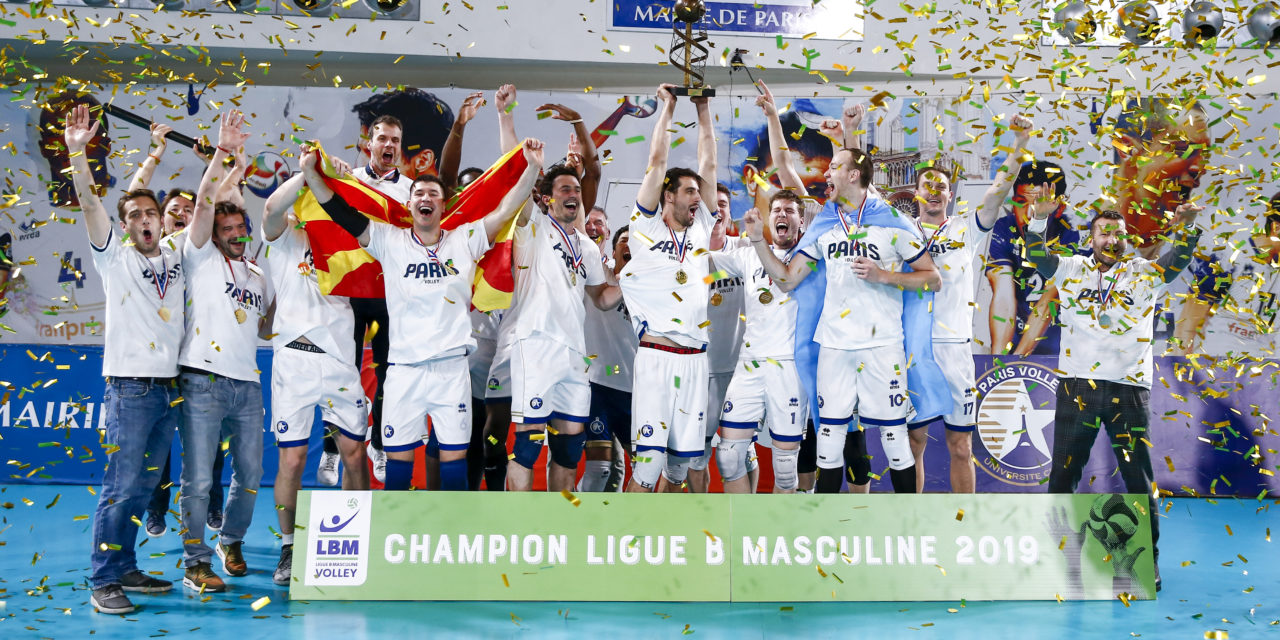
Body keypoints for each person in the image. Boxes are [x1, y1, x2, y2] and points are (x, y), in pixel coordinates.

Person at [307, 138, 544, 491]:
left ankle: (450, 523)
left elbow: (506, 208)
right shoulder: (389, 240)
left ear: (443, 205)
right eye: (418, 193)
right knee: (398, 467)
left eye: (433, 194)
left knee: (454, 464)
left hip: (452, 371)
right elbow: (340, 212)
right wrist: (312, 174)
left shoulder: (465, 239)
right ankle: (396, 526)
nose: (425, 198)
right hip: (404, 372)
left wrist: (533, 167)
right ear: (409, 204)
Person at [1027, 199, 1203, 593]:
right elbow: (1038, 256)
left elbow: (1178, 258)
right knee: (1063, 477)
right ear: (1091, 238)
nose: (1112, 239)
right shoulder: (1072, 268)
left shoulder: (1145, 272)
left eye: (1119, 234)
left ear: (1126, 239)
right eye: (1104, 233)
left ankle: (1148, 563)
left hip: (1129, 390)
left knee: (1138, 479)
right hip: (1077, 387)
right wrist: (1038, 218)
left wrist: (1188, 227)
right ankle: (1055, 560)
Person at [743, 146, 942, 495]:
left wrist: (884, 276)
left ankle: (907, 518)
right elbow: (787, 280)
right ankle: (828, 521)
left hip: (882, 346)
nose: (826, 173)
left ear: (853, 175)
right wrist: (758, 240)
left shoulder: (893, 221)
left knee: (894, 439)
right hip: (834, 347)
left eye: (834, 167)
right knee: (829, 440)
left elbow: (933, 279)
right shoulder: (824, 223)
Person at [67, 102, 186, 615]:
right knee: (120, 486)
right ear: (123, 226)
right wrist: (77, 154)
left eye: (149, 213)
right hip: (130, 388)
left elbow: (194, 210)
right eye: (133, 215)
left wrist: (156, 155)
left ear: (161, 220)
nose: (143, 219)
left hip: (170, 387)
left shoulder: (176, 254)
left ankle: (126, 565)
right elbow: (91, 201)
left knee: (143, 486)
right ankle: (103, 579)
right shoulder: (113, 258)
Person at [174, 111, 273, 594]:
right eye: (226, 227)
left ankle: (229, 541)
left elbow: (267, 327)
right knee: (197, 478)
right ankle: (194, 561)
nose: (234, 233)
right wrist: (223, 153)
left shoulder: (258, 274)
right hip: (202, 379)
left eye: (240, 227)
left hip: (248, 384)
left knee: (251, 474)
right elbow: (205, 201)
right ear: (214, 234)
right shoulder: (200, 257)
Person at [262, 159, 373, 586]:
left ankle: (357, 538)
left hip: (339, 360)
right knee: (291, 460)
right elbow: (272, 206)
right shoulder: (282, 238)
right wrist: (308, 170)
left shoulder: (346, 237)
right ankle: (290, 548)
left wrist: (337, 182)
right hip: (294, 361)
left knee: (354, 455)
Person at [620, 84, 718, 493]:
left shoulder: (702, 228)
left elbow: (709, 162)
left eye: (698, 191)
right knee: (648, 467)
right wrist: (668, 108)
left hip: (696, 361)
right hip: (657, 358)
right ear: (668, 195)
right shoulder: (644, 229)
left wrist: (703, 109)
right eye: (689, 191)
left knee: (680, 468)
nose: (698, 196)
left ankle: (673, 530)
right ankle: (627, 532)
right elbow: (657, 160)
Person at [505, 165, 621, 492]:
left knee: (569, 449)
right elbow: (519, 191)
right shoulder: (534, 226)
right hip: (536, 344)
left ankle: (560, 518)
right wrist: (530, 163)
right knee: (527, 446)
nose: (574, 195)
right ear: (547, 199)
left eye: (576, 189)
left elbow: (601, 298)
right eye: (565, 189)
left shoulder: (588, 247)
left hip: (575, 354)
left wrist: (629, 280)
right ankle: (518, 521)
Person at [317, 113, 416, 486]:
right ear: (368, 144)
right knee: (342, 373)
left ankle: (378, 444)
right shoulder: (349, 179)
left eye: (395, 140)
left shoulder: (412, 190)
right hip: (350, 294)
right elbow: (320, 199)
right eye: (383, 138)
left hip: (390, 296)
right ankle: (330, 449)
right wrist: (329, 171)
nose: (389, 145)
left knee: (389, 373)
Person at [904, 152, 1002, 493]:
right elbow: (864, 189)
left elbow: (998, 193)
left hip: (955, 352)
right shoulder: (901, 230)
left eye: (941, 187)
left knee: (961, 446)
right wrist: (850, 133)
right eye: (927, 185)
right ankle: (911, 517)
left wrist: (1019, 145)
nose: (934, 191)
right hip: (914, 353)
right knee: (913, 444)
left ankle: (964, 518)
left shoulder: (966, 228)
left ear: (950, 194)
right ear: (916, 193)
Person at [711, 190, 808, 493]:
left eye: (789, 211)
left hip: (789, 367)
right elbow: (702, 263)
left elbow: (786, 280)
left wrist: (756, 240)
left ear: (802, 221)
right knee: (728, 457)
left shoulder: (812, 256)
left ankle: (779, 523)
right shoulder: (746, 255)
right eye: (776, 210)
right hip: (749, 364)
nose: (781, 215)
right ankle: (743, 522)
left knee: (785, 468)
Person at [687, 183, 747, 493]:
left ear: (729, 212)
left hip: (741, 368)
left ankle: (747, 515)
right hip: (701, 369)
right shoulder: (684, 252)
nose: (717, 210)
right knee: (697, 455)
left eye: (723, 204)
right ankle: (701, 514)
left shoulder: (745, 248)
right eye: (711, 205)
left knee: (741, 453)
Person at [1172, 194, 1280, 360]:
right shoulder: (1230, 257)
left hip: (1265, 366)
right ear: (1276, 227)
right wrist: (1180, 364)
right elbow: (1188, 322)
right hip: (1218, 361)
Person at [1113, 98, 1210, 260]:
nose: (1199, 168)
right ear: (1129, 149)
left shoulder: (1204, 259)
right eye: (1183, 150)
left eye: (1204, 155)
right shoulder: (1076, 238)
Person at [580, 225, 637, 492]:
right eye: (623, 240)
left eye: (634, 241)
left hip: (635, 389)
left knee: (646, 467)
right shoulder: (599, 276)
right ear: (613, 251)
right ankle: (582, 516)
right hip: (598, 385)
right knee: (600, 468)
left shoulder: (650, 285)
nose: (629, 245)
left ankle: (628, 517)